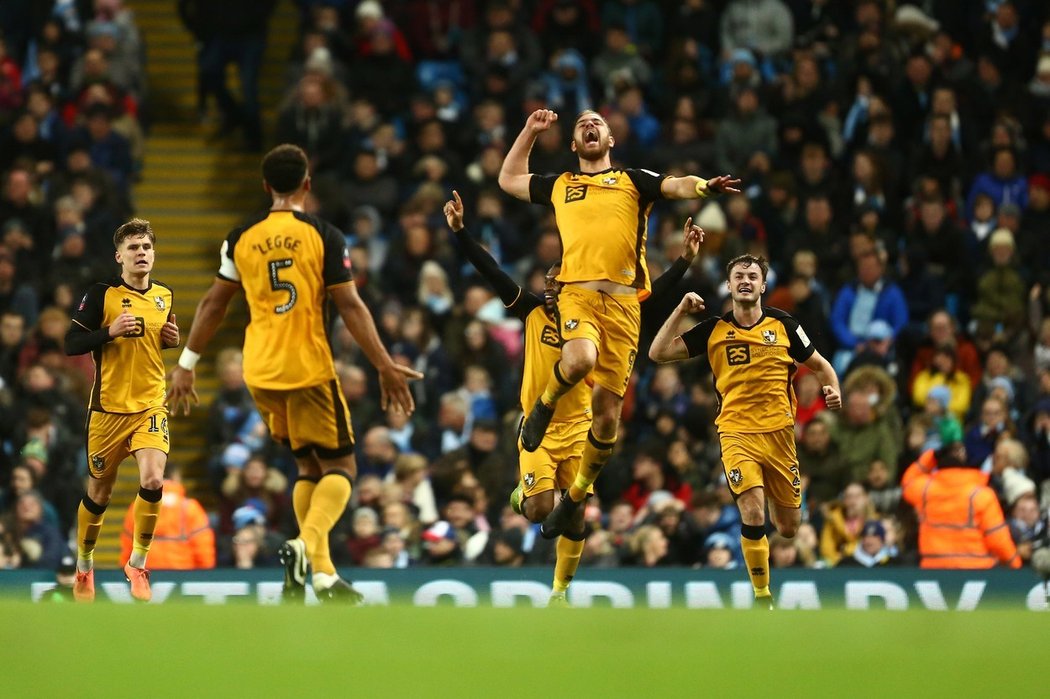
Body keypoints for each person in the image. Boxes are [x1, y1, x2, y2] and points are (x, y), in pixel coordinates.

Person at [167, 144, 420, 603]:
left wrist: (186, 365)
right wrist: (384, 364)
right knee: (342, 466)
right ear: (307, 184)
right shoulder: (323, 234)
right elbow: (349, 305)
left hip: (259, 371)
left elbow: (213, 304)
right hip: (306, 367)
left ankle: (321, 575)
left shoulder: (239, 236)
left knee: (308, 464)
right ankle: (305, 546)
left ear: (266, 187)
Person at [443, 189, 701, 605]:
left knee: (576, 510)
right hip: (538, 430)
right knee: (543, 509)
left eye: (556, 282)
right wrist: (460, 233)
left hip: (579, 425)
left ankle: (559, 592)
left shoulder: (595, 318)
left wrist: (685, 261)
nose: (549, 288)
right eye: (546, 281)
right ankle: (523, 498)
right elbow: (490, 270)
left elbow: (645, 304)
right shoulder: (531, 312)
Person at [498, 108, 740, 541]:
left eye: (598, 123)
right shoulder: (561, 185)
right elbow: (509, 180)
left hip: (625, 309)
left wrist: (703, 187)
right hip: (579, 295)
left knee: (607, 420)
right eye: (582, 125)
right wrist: (530, 132)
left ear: (610, 139)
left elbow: (674, 184)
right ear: (573, 145)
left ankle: (573, 500)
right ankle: (542, 408)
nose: (590, 126)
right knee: (577, 359)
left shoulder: (631, 181)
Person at [648, 254, 842, 608]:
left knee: (788, 527)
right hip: (736, 434)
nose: (746, 281)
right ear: (729, 285)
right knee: (752, 512)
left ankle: (772, 492)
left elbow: (820, 365)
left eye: (753, 276)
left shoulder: (785, 325)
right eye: (739, 276)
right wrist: (680, 310)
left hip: (780, 437)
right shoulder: (714, 330)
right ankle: (762, 596)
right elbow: (658, 352)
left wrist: (833, 388)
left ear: (764, 286)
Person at [64, 218, 180, 603]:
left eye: (146, 247)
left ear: (153, 254)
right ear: (120, 256)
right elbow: (71, 343)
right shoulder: (102, 294)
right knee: (99, 494)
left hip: (150, 405)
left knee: (152, 480)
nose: (141, 253)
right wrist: (108, 333)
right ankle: (84, 567)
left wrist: (169, 342)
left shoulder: (165, 296)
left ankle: (138, 564)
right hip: (107, 410)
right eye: (133, 248)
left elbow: (148, 348)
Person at [901, 417, 1021, 569]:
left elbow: (908, 481)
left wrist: (931, 456)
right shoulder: (981, 494)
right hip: (975, 569)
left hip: (934, 569)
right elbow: (997, 537)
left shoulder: (925, 490)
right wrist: (1015, 563)